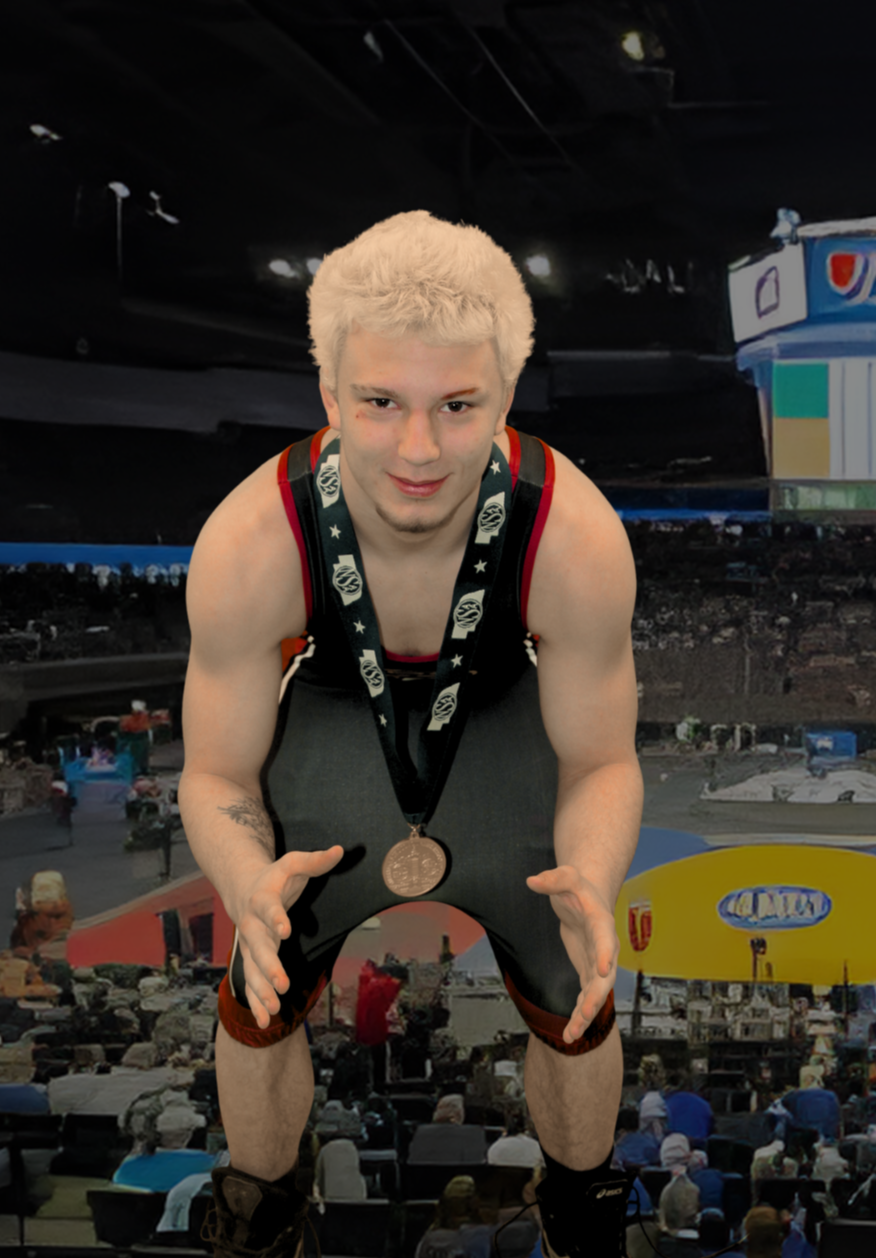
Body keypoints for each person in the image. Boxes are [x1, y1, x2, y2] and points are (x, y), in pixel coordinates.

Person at [179, 211, 642, 1258]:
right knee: (259, 981)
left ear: (505, 399)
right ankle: (260, 1220)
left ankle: (583, 1217)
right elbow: (213, 777)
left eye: (458, 405)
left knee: (578, 984)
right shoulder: (252, 541)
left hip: (502, 743)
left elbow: (601, 759)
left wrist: (596, 878)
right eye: (381, 403)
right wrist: (244, 877)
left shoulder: (573, 533)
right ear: (330, 395)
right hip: (334, 744)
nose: (420, 449)